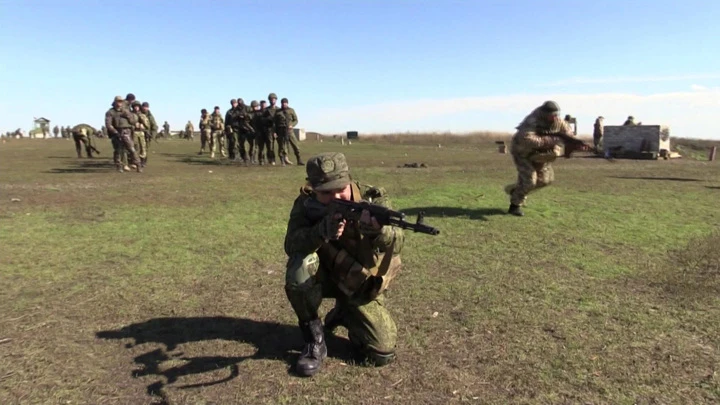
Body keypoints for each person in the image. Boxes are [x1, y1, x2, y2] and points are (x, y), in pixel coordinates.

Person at [283, 152, 404, 377]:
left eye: (340, 188)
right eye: (326, 193)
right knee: (299, 266)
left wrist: (379, 232)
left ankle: (345, 312)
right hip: (324, 276)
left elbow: (397, 243)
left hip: (359, 282)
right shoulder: (305, 203)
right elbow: (291, 244)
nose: (336, 196)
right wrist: (320, 232)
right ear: (313, 188)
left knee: (381, 353)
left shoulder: (373, 199)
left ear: (349, 179)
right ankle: (314, 339)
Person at [505, 100, 587, 216]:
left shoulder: (558, 121)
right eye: (552, 115)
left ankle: (516, 190)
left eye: (556, 115)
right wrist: (555, 140)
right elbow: (528, 139)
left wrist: (576, 144)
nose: (555, 118)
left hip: (542, 155)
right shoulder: (532, 120)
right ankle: (514, 206)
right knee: (530, 181)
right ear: (544, 113)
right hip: (523, 153)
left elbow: (568, 134)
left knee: (545, 180)